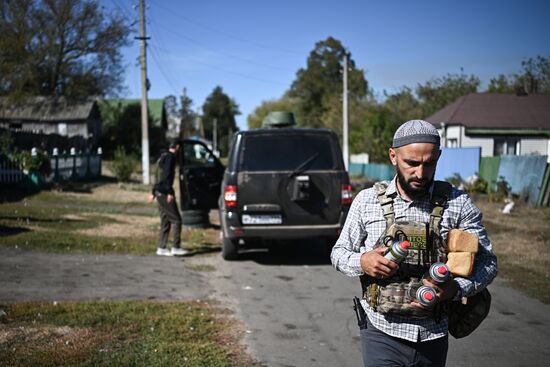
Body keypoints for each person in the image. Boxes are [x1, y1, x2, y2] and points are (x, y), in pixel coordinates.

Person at [331, 120, 498, 367]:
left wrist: (456, 288)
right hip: (380, 332)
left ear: (438, 157)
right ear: (393, 156)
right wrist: (363, 261)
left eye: (429, 163)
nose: (420, 173)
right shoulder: (367, 201)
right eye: (412, 163)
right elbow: (339, 253)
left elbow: (488, 263)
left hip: (433, 335)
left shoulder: (458, 204)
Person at [148, 139, 189, 256]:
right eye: (179, 147)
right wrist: (170, 192)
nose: (180, 150)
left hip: (158, 192)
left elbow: (157, 176)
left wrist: (153, 192)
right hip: (164, 193)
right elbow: (166, 176)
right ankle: (176, 247)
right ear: (177, 147)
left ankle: (161, 247)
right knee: (177, 220)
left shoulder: (163, 156)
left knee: (165, 220)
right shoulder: (171, 158)